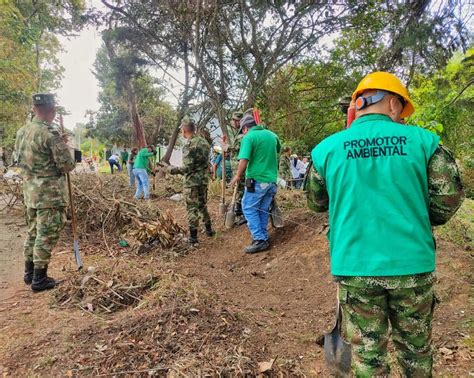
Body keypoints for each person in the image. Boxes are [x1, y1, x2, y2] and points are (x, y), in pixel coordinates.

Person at [306, 71, 465, 376]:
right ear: (393, 104)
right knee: (415, 353)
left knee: (368, 357)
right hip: (412, 266)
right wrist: (420, 218)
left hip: (356, 266)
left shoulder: (327, 149)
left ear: (359, 105)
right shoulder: (425, 143)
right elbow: (449, 196)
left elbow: (315, 202)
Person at [13, 93, 76, 292]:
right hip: (50, 194)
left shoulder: (22, 132)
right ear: (52, 111)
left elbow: (19, 158)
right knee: (46, 234)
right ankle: (39, 279)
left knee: (32, 232)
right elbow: (67, 165)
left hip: (30, 192)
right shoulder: (50, 134)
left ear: (34, 109)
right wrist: (67, 148)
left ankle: (29, 273)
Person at [230, 113, 281, 254]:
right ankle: (263, 237)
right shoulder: (272, 135)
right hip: (271, 180)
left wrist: (238, 175)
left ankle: (259, 239)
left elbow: (244, 159)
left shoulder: (249, 137)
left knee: (248, 208)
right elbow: (278, 150)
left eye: (242, 130)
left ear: (245, 128)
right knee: (262, 209)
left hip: (257, 180)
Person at [165, 117, 214, 245]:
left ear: (184, 130)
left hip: (192, 182)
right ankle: (209, 229)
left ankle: (193, 238)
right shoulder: (204, 142)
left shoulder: (189, 145)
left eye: (181, 129)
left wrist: (170, 169)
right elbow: (206, 163)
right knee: (202, 205)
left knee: (192, 208)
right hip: (203, 180)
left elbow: (187, 168)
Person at [225, 111, 246, 225]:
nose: (232, 122)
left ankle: (243, 213)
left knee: (241, 190)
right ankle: (239, 211)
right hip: (237, 168)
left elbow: (236, 149)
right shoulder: (239, 134)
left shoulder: (242, 136)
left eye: (234, 120)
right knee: (239, 190)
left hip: (241, 168)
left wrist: (227, 147)